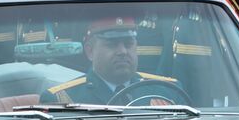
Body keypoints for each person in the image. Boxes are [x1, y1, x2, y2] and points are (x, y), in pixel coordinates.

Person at [41, 17, 177, 104]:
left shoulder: (167, 90)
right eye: (112, 44)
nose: (122, 51)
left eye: (128, 44)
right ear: (90, 51)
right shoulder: (64, 99)